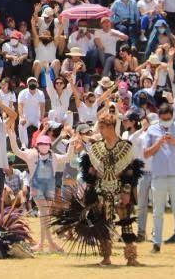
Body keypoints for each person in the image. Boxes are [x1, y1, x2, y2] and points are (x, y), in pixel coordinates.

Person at [52, 110, 143, 266]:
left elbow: (130, 171)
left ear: (110, 127)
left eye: (102, 127)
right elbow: (91, 172)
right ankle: (106, 257)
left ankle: (131, 257)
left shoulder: (125, 147)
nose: (99, 130)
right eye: (99, 127)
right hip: (101, 191)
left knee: (126, 223)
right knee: (102, 225)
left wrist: (126, 191)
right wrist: (89, 190)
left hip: (119, 190)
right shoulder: (96, 148)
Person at [9, 130, 76, 253]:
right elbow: (16, 150)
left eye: (45, 144)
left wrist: (71, 145)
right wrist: (12, 136)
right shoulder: (31, 155)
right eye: (41, 144)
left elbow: (68, 157)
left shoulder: (54, 157)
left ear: (50, 145)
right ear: (37, 145)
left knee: (45, 216)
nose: (43, 146)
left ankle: (43, 244)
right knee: (45, 213)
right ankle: (49, 244)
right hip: (36, 188)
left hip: (49, 188)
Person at [144, 103, 175, 254]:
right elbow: (146, 153)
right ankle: (156, 244)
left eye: (169, 118)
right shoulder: (152, 130)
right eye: (164, 118)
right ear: (159, 117)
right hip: (158, 176)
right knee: (157, 212)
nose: (166, 120)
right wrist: (159, 142)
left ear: (172, 116)